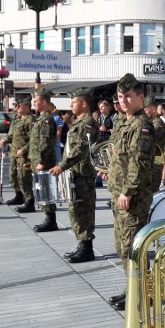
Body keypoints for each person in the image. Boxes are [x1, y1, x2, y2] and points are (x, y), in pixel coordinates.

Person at [100, 73, 156, 310]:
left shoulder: (141, 125)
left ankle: (143, 293)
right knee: (123, 246)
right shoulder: (123, 122)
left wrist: (129, 190)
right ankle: (133, 287)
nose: (123, 100)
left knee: (132, 246)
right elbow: (118, 156)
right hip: (120, 193)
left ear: (140, 97)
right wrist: (109, 172)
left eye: (128, 96)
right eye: (120, 96)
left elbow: (139, 163)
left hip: (132, 197)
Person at [48, 88, 100, 263]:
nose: (70, 105)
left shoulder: (88, 123)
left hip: (83, 174)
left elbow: (81, 149)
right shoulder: (78, 122)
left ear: (83, 104)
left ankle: (87, 248)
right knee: (75, 209)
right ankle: (81, 244)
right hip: (75, 173)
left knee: (83, 210)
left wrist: (62, 166)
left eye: (74, 102)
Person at [27, 89, 59, 232]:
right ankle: (47, 217)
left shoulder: (47, 120)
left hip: (44, 161)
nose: (33, 104)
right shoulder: (40, 119)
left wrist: (41, 161)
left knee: (46, 190)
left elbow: (45, 143)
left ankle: (51, 220)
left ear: (44, 102)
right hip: (38, 161)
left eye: (35, 101)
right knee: (41, 189)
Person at [10, 98, 36, 208]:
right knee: (13, 176)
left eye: (19, 105)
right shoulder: (19, 119)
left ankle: (29, 199)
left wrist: (24, 149)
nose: (17, 107)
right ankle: (19, 195)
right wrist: (5, 140)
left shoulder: (30, 120)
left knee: (24, 178)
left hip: (25, 155)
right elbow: (13, 136)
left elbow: (34, 139)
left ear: (26, 107)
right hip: (14, 153)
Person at [144, 96, 165, 192]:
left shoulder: (158, 125)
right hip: (149, 164)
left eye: (146, 109)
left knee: (151, 194)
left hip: (154, 166)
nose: (144, 112)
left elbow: (148, 142)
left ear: (153, 109)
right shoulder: (151, 123)